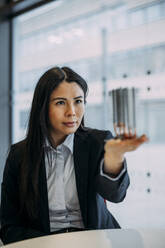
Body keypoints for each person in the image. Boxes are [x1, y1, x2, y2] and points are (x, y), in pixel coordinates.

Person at [0, 67, 147, 244]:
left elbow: (116, 195)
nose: (72, 112)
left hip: (96, 240)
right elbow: (9, 226)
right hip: (44, 244)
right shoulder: (19, 155)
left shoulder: (98, 142)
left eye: (78, 101)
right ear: (43, 106)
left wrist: (114, 158)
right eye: (60, 102)